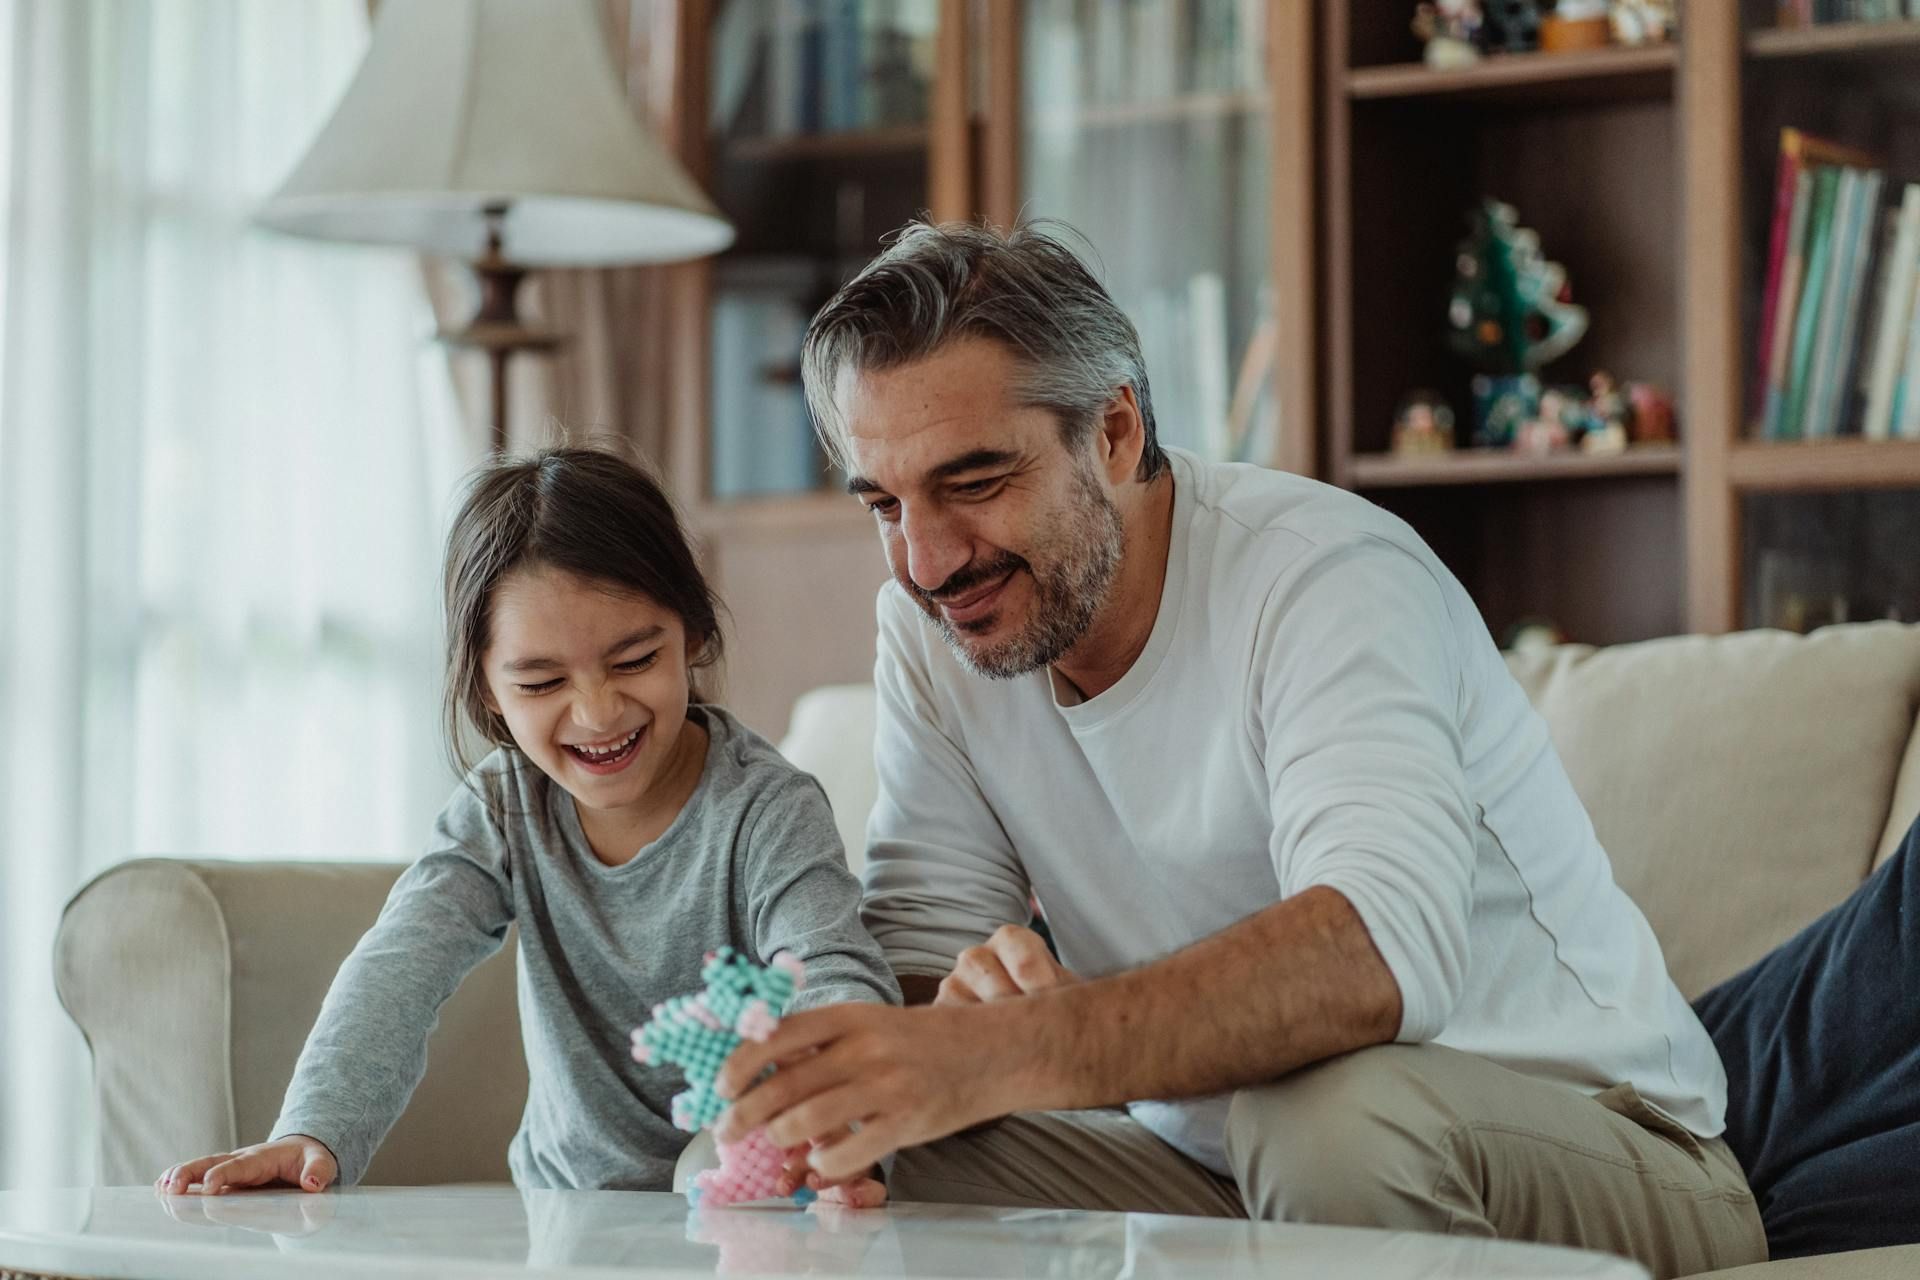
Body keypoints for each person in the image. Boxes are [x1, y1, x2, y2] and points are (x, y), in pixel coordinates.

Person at [712, 221, 1768, 1278]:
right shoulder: (932, 626)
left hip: (1602, 1142)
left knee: (1323, 1117)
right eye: (885, 504)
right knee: (843, 1168)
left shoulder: (1325, 574)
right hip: (1221, 1170)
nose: (928, 561)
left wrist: (1027, 1043)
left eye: (976, 482)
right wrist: (835, 1086)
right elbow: (923, 960)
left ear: (1115, 430)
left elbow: (1383, 951)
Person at [155, 446, 897, 1203]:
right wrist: (311, 1130)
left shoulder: (766, 809)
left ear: (693, 634)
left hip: (744, 1206)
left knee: (707, 1163)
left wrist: (839, 1133)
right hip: (560, 1217)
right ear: (487, 687)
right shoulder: (504, 807)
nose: (598, 712)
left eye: (636, 659)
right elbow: (399, 970)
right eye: (542, 681)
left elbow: (832, 969)